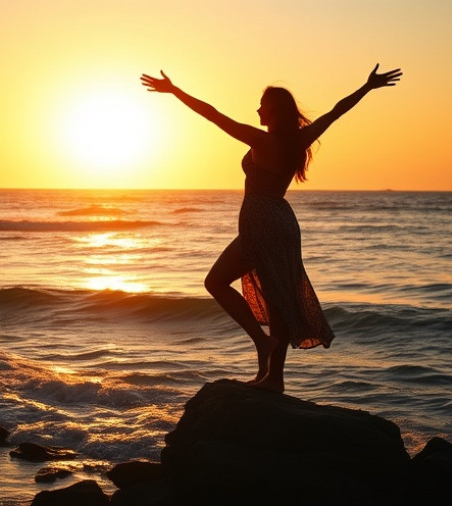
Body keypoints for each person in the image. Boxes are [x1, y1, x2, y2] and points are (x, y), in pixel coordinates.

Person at [140, 64, 402, 393]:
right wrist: (366, 88)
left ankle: (265, 351)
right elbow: (336, 112)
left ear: (274, 110)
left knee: (216, 282)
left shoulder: (262, 141)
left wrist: (175, 91)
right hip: (281, 222)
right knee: (276, 296)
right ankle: (271, 376)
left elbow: (213, 115)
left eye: (262, 104)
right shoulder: (298, 141)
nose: (257, 109)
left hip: (263, 223)